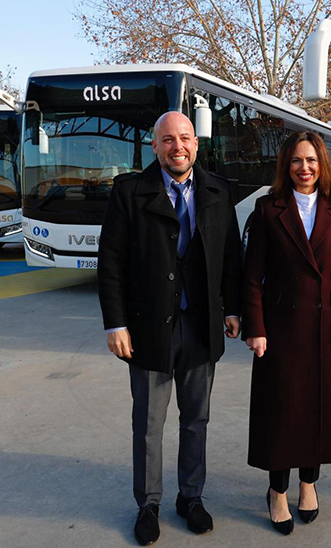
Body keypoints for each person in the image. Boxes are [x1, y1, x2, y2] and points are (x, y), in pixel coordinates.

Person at [97, 111, 242, 545]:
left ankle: (190, 497)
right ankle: (148, 504)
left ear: (196, 143)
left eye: (184, 139)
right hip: (147, 328)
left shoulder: (218, 190)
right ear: (155, 146)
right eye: (168, 140)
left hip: (201, 325)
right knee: (148, 422)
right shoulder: (129, 192)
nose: (177, 147)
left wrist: (232, 309)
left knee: (196, 418)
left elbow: (231, 256)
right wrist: (116, 323)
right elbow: (111, 262)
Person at [242, 131, 331, 535]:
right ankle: (277, 491)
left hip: (324, 328)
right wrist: (255, 328)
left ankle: (308, 484)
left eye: (311, 160)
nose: (304, 168)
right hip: (279, 329)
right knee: (282, 411)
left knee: (317, 410)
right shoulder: (267, 208)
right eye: (296, 160)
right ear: (285, 165)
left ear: (322, 164)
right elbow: (252, 275)